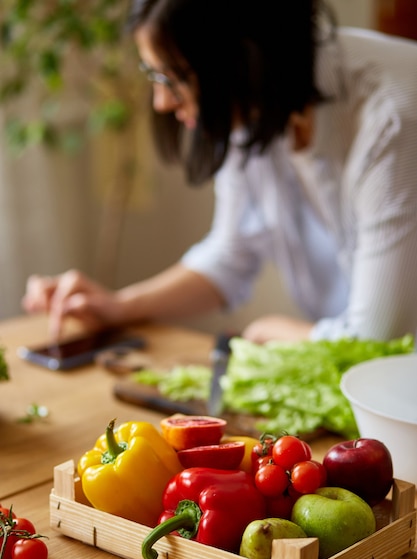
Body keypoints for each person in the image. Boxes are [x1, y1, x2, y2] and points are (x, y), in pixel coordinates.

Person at [22, 0, 417, 343]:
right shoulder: (254, 104)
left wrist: (278, 332)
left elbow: (378, 338)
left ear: (243, 60)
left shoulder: (392, 121)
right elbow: (231, 252)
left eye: (174, 78)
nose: (161, 102)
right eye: (154, 75)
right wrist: (118, 305)